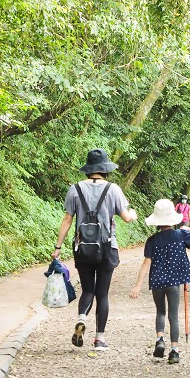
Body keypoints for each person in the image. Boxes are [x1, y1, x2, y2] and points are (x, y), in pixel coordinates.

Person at [52, 148, 138, 351]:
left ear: (88, 169)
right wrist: (133, 214)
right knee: (103, 293)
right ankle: (99, 339)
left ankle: (82, 317)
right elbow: (126, 217)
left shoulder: (75, 189)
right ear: (105, 169)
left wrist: (57, 247)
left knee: (87, 289)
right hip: (107, 247)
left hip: (82, 248)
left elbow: (67, 219)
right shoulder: (113, 189)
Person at [130, 199, 190, 364]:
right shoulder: (181, 234)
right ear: (173, 218)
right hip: (173, 283)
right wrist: (187, 227)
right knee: (173, 316)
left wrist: (137, 286)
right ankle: (174, 351)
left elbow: (146, 263)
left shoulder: (152, 240)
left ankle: (159, 339)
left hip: (157, 282)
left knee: (160, 312)